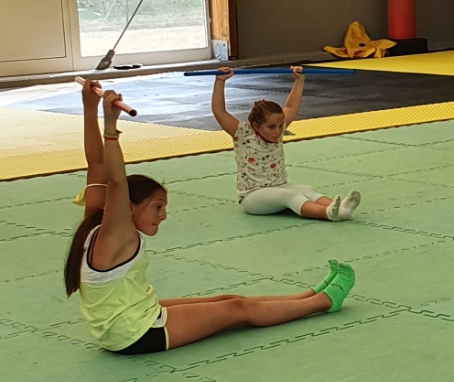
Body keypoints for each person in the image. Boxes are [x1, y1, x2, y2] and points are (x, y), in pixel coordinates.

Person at [66, 82, 353, 354]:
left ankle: (308, 295)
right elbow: (117, 182)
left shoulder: (95, 220)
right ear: (128, 207)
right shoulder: (117, 231)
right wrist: (111, 128)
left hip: (125, 321)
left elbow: (96, 163)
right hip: (136, 332)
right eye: (157, 207)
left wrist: (89, 107)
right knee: (238, 310)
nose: (163, 216)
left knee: (226, 301)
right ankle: (323, 302)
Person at [211, 66, 359, 220]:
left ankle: (342, 210)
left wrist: (299, 80)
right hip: (252, 196)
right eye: (271, 127)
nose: (277, 131)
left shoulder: (279, 129)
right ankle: (326, 213)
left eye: (280, 126)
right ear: (256, 126)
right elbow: (219, 111)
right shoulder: (243, 133)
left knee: (307, 190)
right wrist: (220, 81)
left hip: (279, 186)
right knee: (291, 196)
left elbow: (291, 106)